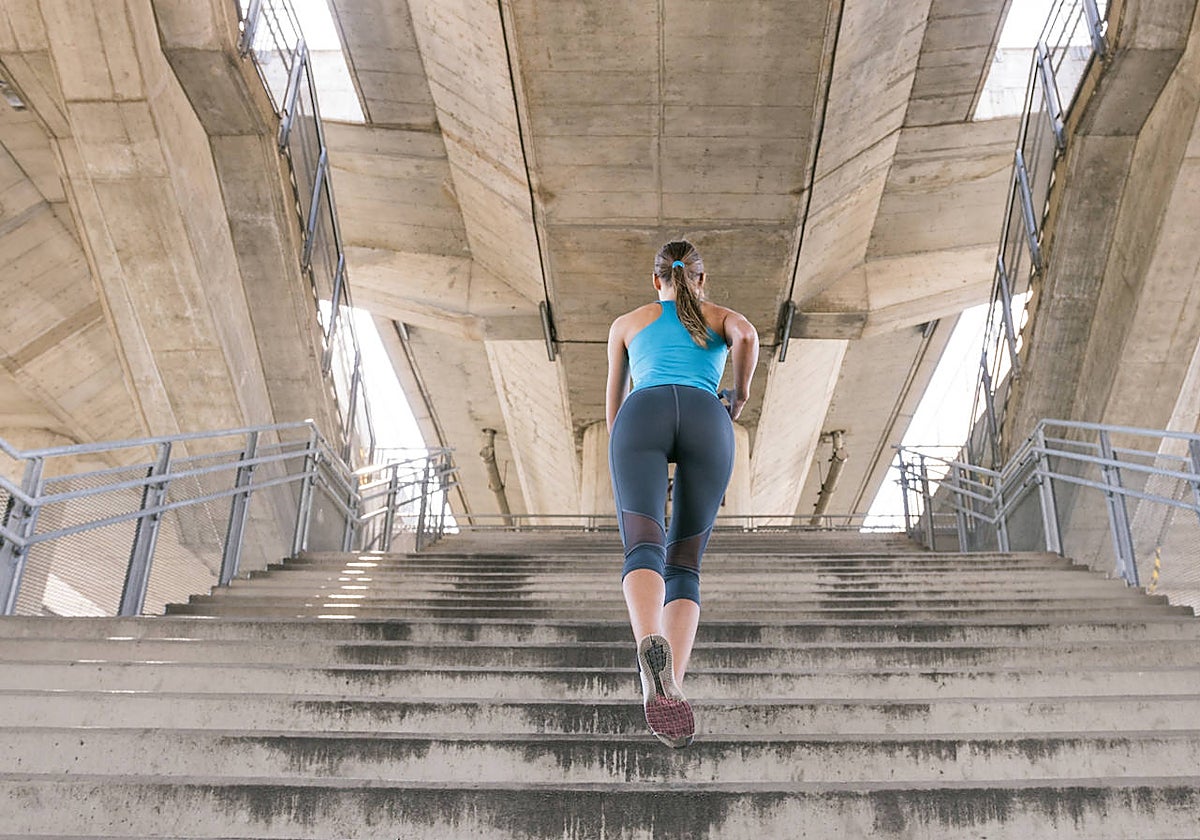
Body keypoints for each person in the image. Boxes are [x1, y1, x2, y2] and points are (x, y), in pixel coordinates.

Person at [605, 239, 759, 748]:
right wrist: (738, 395)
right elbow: (748, 336)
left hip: (640, 415)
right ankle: (671, 683)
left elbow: (613, 408)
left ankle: (650, 650)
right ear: (701, 278)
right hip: (706, 418)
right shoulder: (720, 317)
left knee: (643, 545)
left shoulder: (627, 323)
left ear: (657, 281)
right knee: (685, 564)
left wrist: (623, 448)